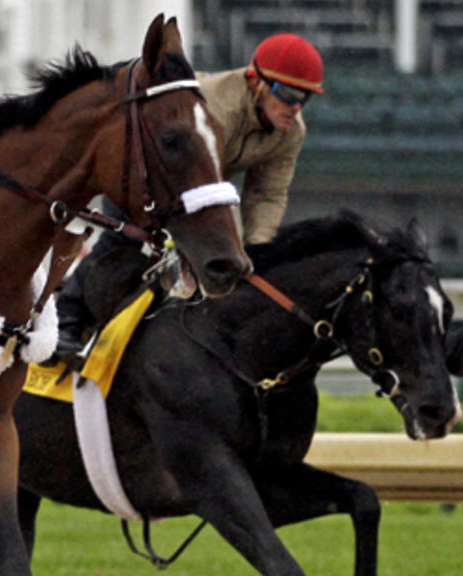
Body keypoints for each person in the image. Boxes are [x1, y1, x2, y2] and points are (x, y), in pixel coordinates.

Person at [52, 32, 324, 365]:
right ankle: (67, 318)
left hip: (199, 185)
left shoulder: (292, 132)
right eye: (287, 95)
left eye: (305, 99)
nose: (294, 108)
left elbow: (267, 194)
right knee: (122, 240)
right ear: (256, 82)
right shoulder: (217, 108)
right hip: (149, 175)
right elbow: (188, 175)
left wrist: (256, 253)